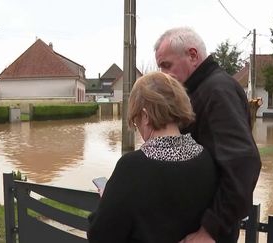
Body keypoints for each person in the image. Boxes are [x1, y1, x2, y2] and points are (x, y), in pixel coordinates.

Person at [154, 27, 261, 243]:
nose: (164, 75)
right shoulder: (200, 90)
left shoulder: (217, 91)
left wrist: (210, 230)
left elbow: (243, 164)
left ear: (193, 56)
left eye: (167, 65)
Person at [87, 72, 218, 243]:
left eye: (135, 121)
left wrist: (109, 199)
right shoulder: (206, 159)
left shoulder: (132, 167)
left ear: (146, 116)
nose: (138, 128)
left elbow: (100, 236)